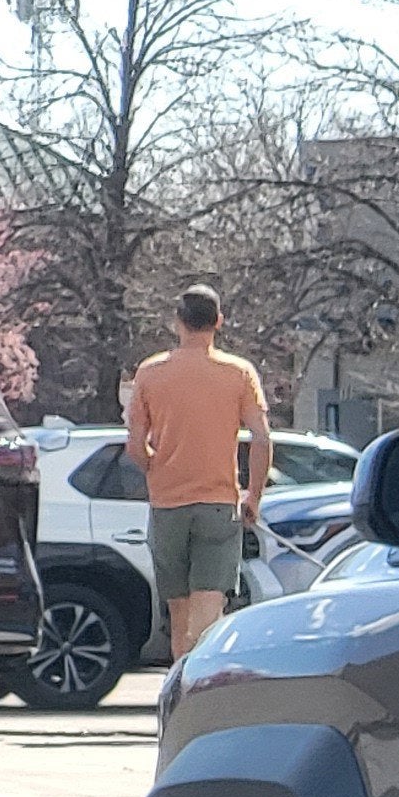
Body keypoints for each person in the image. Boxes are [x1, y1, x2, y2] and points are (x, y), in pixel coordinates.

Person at [123, 283, 273, 662]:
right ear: (218, 322)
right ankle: (204, 697)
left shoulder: (151, 373)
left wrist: (156, 470)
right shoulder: (239, 373)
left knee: (179, 618)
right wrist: (253, 496)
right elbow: (261, 437)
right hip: (218, 503)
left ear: (177, 322)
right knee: (208, 620)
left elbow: (135, 447)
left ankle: (180, 700)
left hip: (168, 505)